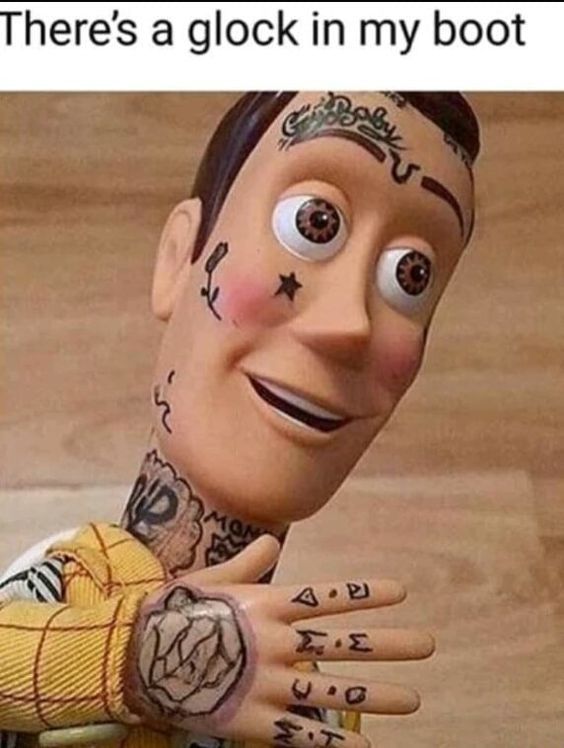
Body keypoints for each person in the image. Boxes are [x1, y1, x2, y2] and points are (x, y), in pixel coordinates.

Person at [0, 90, 480, 748]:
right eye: (314, 223)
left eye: (411, 275)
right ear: (180, 257)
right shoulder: (68, 585)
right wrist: (131, 659)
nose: (352, 323)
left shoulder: (311, 706)